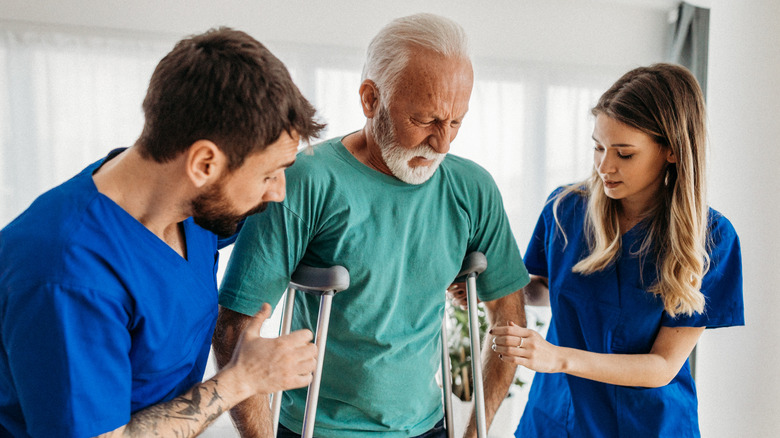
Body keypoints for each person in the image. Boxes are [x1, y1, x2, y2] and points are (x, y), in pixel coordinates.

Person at [213, 13, 530, 438]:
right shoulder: (303, 179)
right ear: (370, 99)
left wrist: (475, 433)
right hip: (316, 427)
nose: (443, 143)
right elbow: (236, 326)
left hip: (428, 426)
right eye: (426, 120)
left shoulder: (472, 189)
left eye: (456, 122)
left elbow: (509, 318)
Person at [0, 27, 325, 437]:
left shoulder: (186, 205)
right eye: (269, 175)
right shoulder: (68, 275)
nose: (279, 192)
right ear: (204, 163)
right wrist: (243, 378)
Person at [488, 63, 744, 437]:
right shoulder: (564, 209)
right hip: (559, 416)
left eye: (624, 154)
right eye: (598, 147)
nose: (604, 166)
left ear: (671, 150)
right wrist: (495, 286)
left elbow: (662, 364)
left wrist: (558, 358)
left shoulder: (710, 239)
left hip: (648, 424)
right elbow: (544, 288)